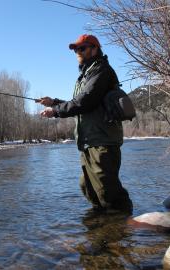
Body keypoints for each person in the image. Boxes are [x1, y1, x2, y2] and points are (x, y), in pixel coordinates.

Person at [37, 34, 133, 213]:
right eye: (75, 49)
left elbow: (85, 101)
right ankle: (103, 225)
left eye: (82, 48)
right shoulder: (86, 74)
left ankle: (124, 226)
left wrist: (56, 110)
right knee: (87, 187)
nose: (77, 52)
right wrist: (54, 102)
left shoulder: (102, 70)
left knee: (107, 190)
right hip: (89, 141)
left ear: (94, 49)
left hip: (102, 141)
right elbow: (80, 103)